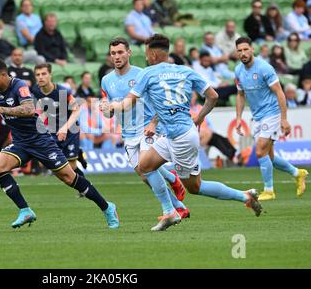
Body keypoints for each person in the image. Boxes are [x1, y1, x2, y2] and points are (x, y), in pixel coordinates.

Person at [104, 34, 263, 232]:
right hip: (179, 133)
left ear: (153, 54)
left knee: (196, 187)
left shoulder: (147, 73)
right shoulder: (185, 71)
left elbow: (127, 102)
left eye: (146, 54)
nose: (146, 58)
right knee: (144, 166)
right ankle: (170, 209)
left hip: (179, 138)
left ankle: (243, 196)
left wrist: (113, 105)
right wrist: (200, 117)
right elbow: (213, 96)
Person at [0, 58, 119, 229]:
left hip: (40, 140)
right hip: (20, 142)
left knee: (69, 177)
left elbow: (29, 109)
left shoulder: (19, 85)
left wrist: (0, 110)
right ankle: (25, 210)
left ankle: (107, 207)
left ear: (3, 75)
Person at [101, 37, 190, 225]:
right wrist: (106, 109)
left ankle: (169, 209)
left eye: (120, 52)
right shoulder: (106, 80)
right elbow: (109, 112)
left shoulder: (142, 74)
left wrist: (154, 123)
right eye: (113, 53)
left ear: (129, 53)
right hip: (127, 133)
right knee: (145, 176)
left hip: (148, 128)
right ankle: (177, 201)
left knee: (146, 166)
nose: (116, 56)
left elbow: (161, 101)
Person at [234, 36, 308, 200]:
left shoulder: (264, 68)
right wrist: (238, 118)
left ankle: (269, 190)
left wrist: (284, 119)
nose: (243, 53)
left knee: (260, 150)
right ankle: (297, 173)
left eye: (246, 49)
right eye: (240, 50)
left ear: (252, 49)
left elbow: (279, 92)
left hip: (272, 113)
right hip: (257, 116)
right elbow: (240, 95)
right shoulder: (238, 70)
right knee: (270, 156)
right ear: (236, 53)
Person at [31, 63, 84, 177]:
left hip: (70, 129)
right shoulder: (35, 91)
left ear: (50, 75)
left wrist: (65, 128)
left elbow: (76, 110)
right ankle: (77, 154)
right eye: (38, 74)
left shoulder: (62, 91)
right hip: (52, 130)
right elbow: (41, 111)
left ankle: (83, 186)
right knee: (44, 163)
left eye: (44, 74)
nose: (40, 77)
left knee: (72, 166)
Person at [190, 91, 239, 163]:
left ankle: (234, 154)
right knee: (215, 138)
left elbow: (208, 123)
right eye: (190, 96)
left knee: (219, 138)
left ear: (196, 97)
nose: (192, 98)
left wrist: (210, 130)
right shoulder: (187, 110)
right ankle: (233, 155)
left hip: (206, 133)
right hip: (195, 134)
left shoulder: (200, 107)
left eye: (193, 96)